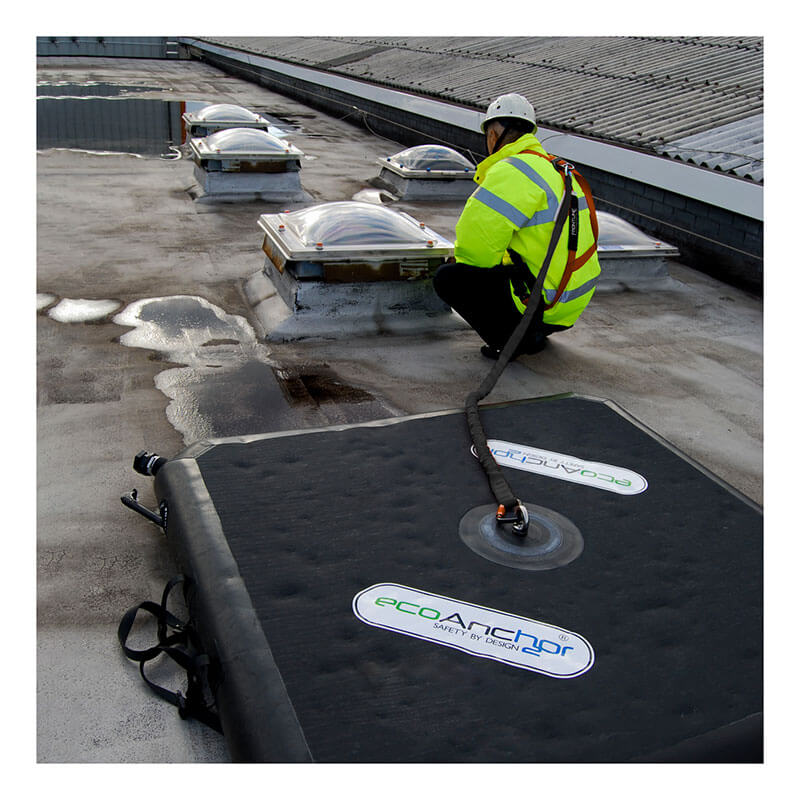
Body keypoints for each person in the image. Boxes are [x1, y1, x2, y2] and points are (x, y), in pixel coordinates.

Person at [433, 93, 601, 360]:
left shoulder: (512, 171)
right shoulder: (556, 169)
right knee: (505, 260)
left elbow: (474, 251)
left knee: (450, 277)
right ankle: (533, 330)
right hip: (568, 305)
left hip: (542, 304)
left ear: (494, 134)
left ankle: (512, 340)